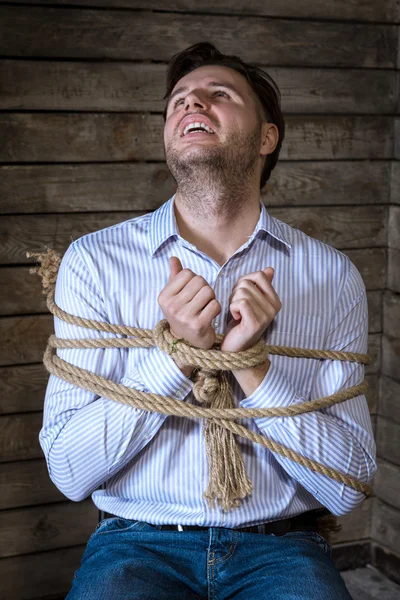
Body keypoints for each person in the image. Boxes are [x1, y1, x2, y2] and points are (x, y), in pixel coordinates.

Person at [39, 42, 376, 599]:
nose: (192, 102)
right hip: (135, 544)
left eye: (219, 94)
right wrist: (176, 357)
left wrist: (253, 370)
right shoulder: (94, 262)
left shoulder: (332, 275)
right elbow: (70, 474)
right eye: (178, 101)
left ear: (267, 137)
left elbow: (348, 486)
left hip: (282, 548)